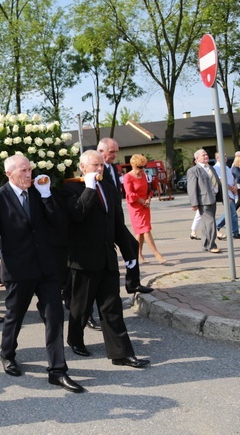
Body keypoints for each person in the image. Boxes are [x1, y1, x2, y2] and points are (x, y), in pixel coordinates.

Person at [0, 156, 84, 392]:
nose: (29, 174)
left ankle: (57, 370)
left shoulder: (38, 191)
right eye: (23, 170)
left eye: (30, 169)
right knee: (15, 317)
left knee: (54, 316)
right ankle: (7, 354)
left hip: (46, 267)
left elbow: (58, 223)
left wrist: (46, 196)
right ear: (9, 174)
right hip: (18, 270)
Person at [62, 151, 150, 368]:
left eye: (101, 165)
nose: (100, 169)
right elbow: (77, 214)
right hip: (82, 261)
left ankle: (121, 353)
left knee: (112, 308)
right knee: (80, 307)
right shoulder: (69, 188)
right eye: (95, 165)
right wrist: (90, 188)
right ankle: (75, 338)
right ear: (82, 167)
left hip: (107, 258)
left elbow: (116, 225)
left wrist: (130, 254)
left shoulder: (109, 188)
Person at [97, 138, 152, 294]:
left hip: (116, 219)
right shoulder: (97, 169)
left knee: (132, 245)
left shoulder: (113, 168)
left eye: (116, 151)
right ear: (101, 152)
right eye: (111, 152)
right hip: (105, 221)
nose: (115, 155)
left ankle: (133, 283)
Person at [122, 154, 167, 264]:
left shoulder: (143, 176)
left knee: (140, 232)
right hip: (135, 207)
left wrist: (148, 199)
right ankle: (157, 254)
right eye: (140, 167)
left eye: (144, 166)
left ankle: (137, 254)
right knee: (146, 230)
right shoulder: (128, 177)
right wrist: (142, 201)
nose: (142, 169)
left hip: (145, 206)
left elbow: (148, 190)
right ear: (133, 165)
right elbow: (130, 193)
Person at [187, 149, 221, 253]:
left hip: (213, 199)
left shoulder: (211, 168)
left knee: (207, 224)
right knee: (211, 223)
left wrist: (224, 197)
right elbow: (192, 188)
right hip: (203, 200)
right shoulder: (193, 170)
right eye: (203, 155)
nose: (206, 156)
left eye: (206, 154)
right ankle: (212, 245)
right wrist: (194, 203)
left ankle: (206, 244)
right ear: (197, 159)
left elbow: (217, 183)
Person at [214, 153, 240, 240]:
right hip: (225, 192)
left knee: (231, 213)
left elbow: (232, 178)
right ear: (218, 158)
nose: (225, 158)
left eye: (226, 156)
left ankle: (232, 231)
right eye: (223, 156)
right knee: (232, 213)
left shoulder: (226, 167)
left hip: (231, 191)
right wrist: (231, 188)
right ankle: (233, 232)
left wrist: (235, 187)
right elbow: (221, 181)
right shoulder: (217, 168)